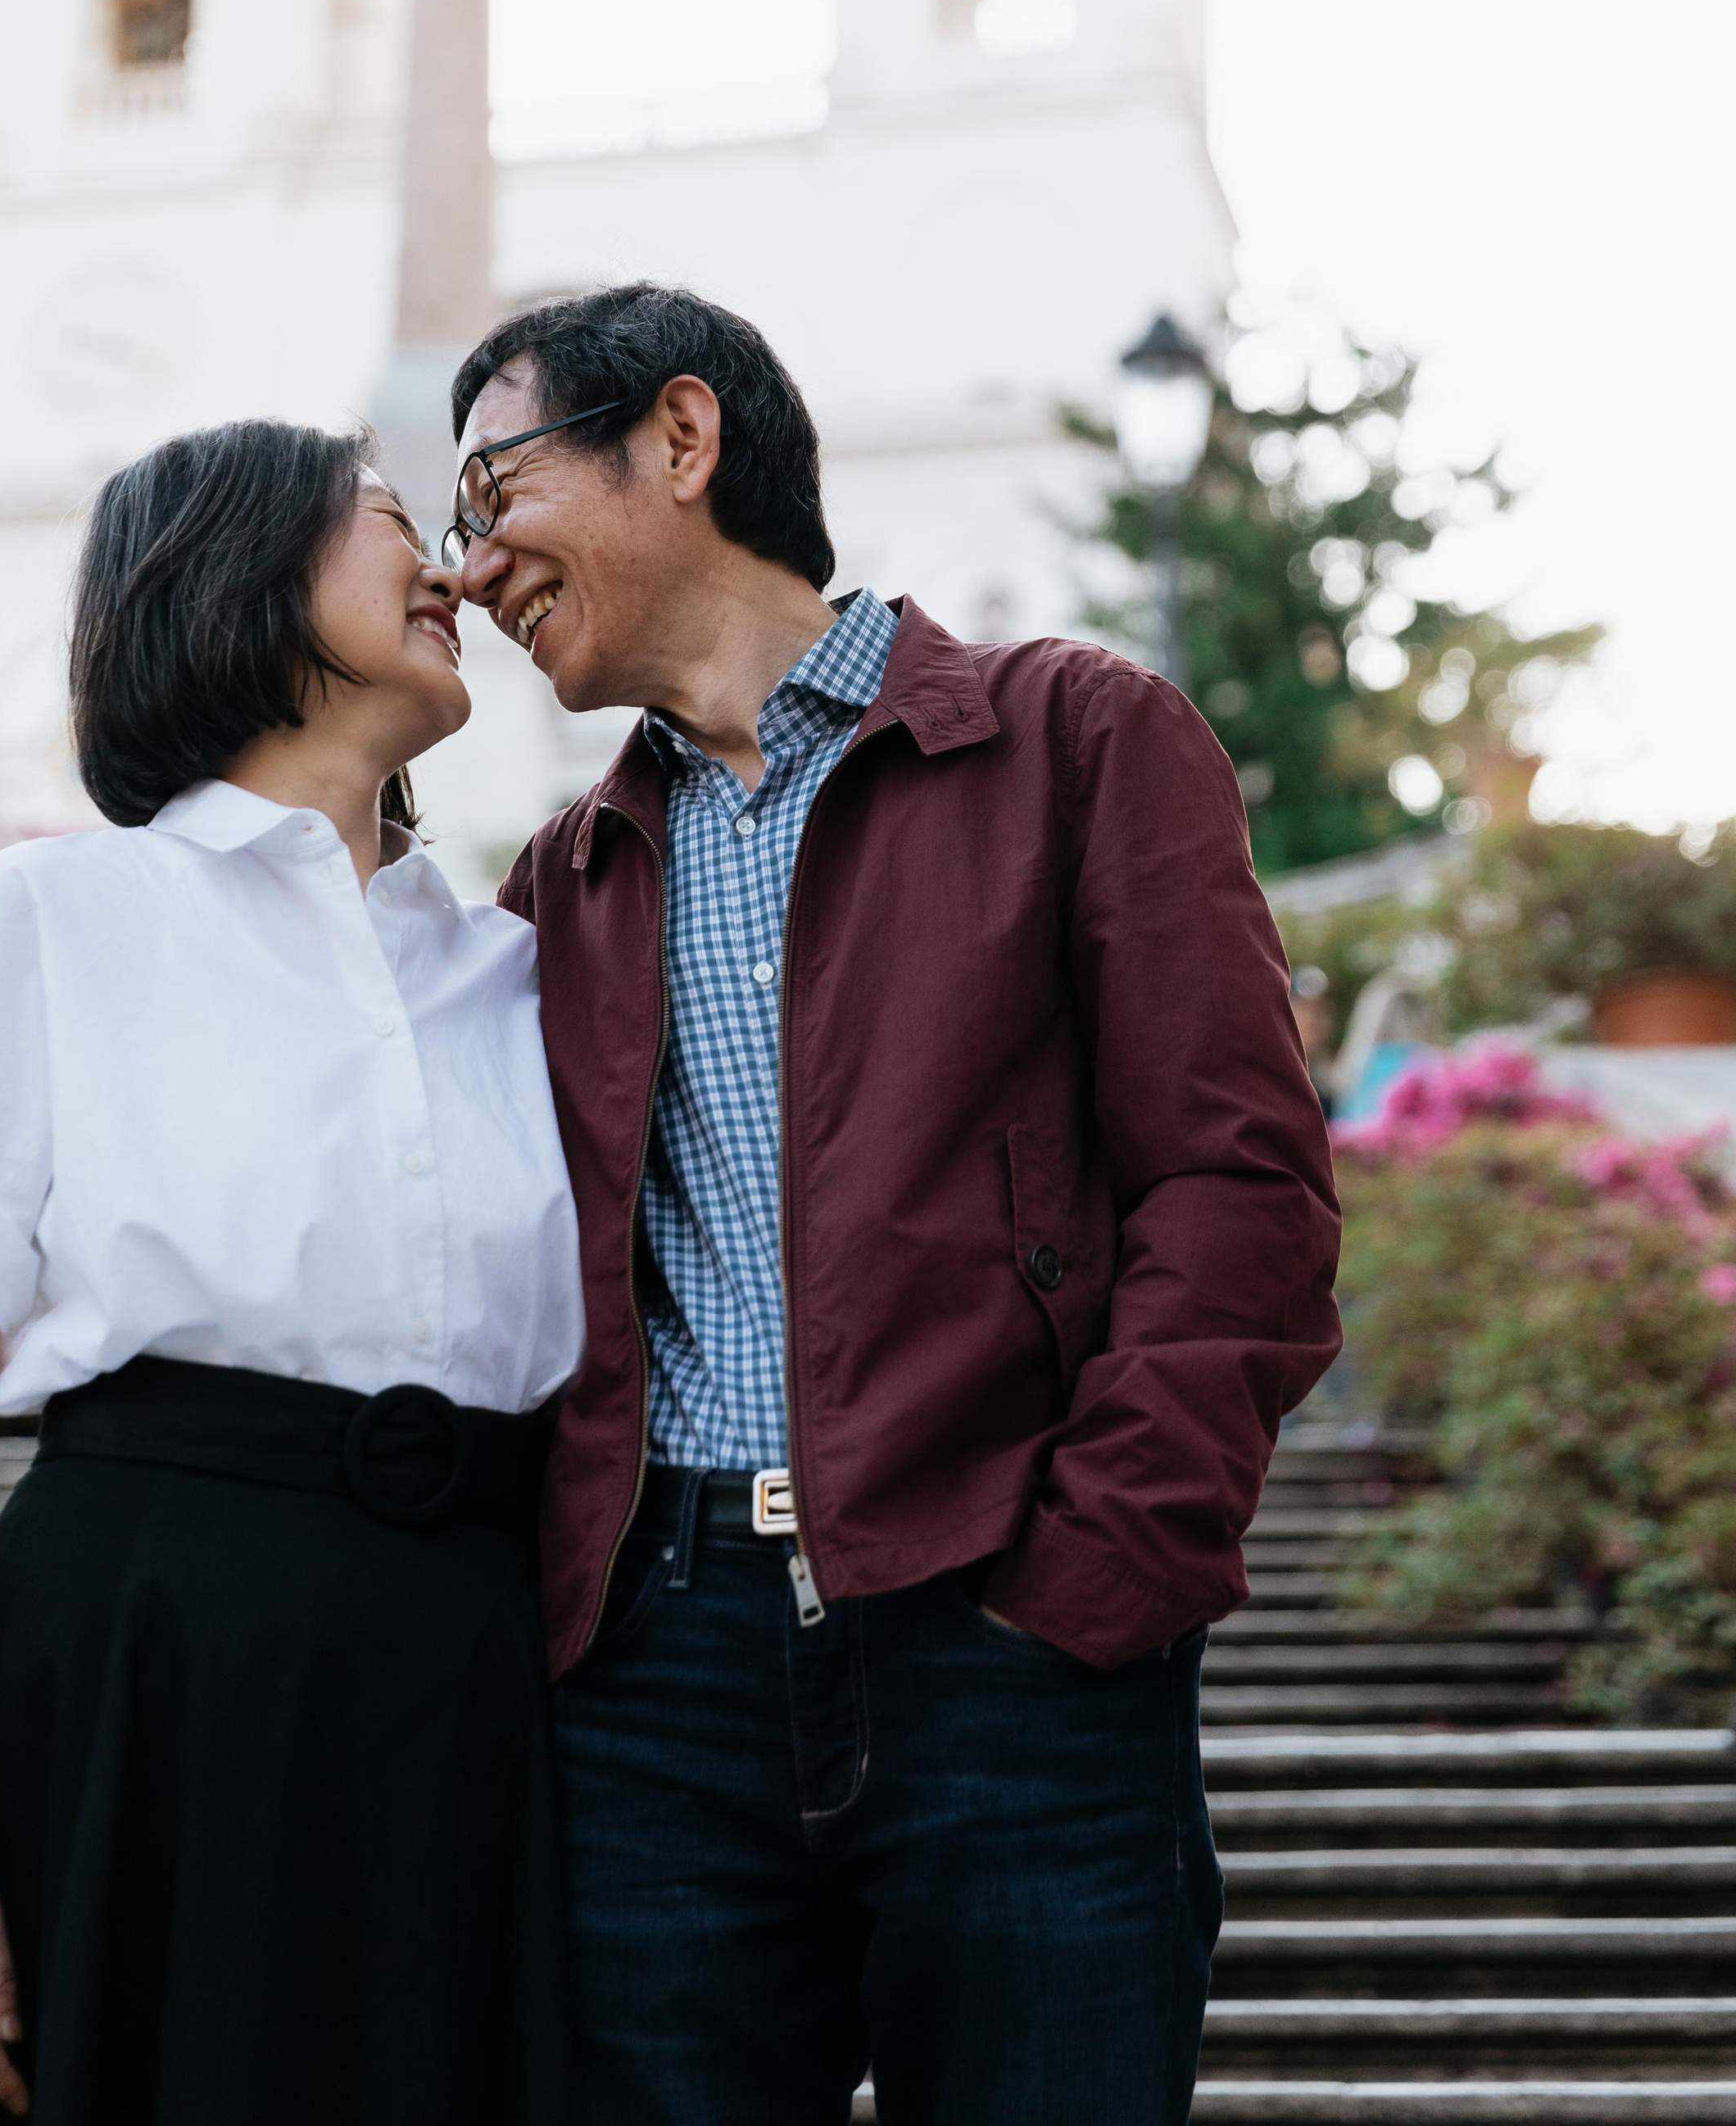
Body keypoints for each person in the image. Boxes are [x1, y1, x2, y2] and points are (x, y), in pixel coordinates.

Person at [445, 283, 1342, 2126]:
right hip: (650, 1681)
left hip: (1003, 1634)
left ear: (679, 441)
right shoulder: (565, 876)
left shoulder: (1074, 740)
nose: (471, 569)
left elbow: (1237, 1186)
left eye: (491, 490)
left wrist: (1093, 1578)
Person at [0, 419, 582, 2126]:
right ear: (234, 571)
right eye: (393, 518)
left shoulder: (526, 975)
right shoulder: (47, 919)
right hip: (133, 1681)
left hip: (467, 1692)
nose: (452, 564)